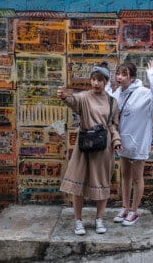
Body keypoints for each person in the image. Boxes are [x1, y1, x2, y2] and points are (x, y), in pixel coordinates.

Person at [57, 62, 122, 235]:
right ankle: (78, 221)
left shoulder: (112, 101)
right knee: (78, 182)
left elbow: (113, 125)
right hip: (84, 146)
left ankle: (99, 219)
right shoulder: (84, 97)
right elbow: (72, 101)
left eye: (100, 80)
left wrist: (116, 141)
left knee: (102, 183)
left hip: (103, 147)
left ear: (106, 81)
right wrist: (64, 96)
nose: (96, 83)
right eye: (93, 79)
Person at [107, 60, 153, 226]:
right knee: (125, 176)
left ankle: (134, 211)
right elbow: (108, 105)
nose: (119, 77)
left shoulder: (143, 93)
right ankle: (125, 207)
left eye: (124, 74)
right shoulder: (117, 93)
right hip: (122, 141)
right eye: (118, 73)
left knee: (137, 178)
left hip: (138, 141)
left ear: (132, 78)